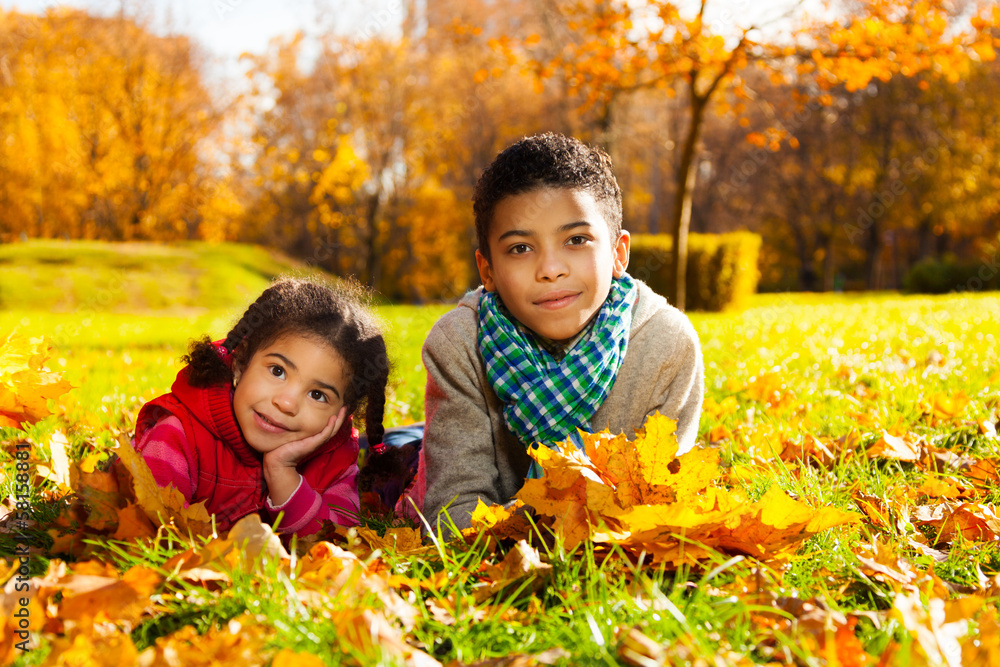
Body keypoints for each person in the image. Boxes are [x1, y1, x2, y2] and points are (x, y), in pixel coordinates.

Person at [412, 132, 704, 534]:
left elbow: (660, 509)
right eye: (520, 248)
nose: (550, 268)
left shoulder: (668, 344)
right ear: (487, 271)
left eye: (576, 240)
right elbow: (451, 514)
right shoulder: (460, 344)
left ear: (618, 254)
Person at [133, 278, 390, 535]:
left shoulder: (335, 462)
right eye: (277, 371)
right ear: (240, 363)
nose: (287, 402)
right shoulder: (179, 434)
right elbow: (151, 531)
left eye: (317, 394)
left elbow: (333, 549)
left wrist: (283, 474)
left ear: (343, 413)